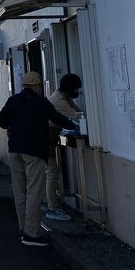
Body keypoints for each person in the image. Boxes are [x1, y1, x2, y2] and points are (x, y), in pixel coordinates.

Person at [0, 71, 79, 247]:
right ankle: (31, 234)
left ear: (23, 85)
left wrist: (15, 126)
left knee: (20, 191)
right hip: (34, 152)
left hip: (14, 150)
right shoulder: (41, 102)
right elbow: (58, 118)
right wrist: (76, 126)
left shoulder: (13, 101)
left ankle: (22, 228)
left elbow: (0, 122)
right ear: (37, 86)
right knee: (34, 192)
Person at [44, 74, 82, 221]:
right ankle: (52, 208)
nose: (77, 91)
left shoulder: (62, 96)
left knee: (50, 172)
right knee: (51, 172)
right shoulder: (59, 101)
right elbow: (77, 115)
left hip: (49, 136)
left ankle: (47, 202)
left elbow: (76, 111)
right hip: (47, 137)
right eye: (76, 88)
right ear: (70, 87)